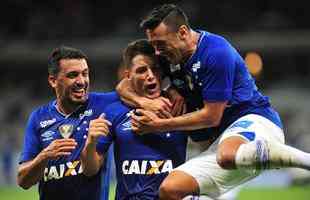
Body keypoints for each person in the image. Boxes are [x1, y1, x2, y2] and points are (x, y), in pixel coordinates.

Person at [118, 4, 310, 199]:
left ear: (182, 32)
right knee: (171, 190)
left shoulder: (216, 52)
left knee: (227, 155)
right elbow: (123, 87)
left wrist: (159, 125)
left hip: (255, 121)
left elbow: (212, 116)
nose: (157, 53)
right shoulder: (168, 56)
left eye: (160, 44)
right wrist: (147, 102)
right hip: (217, 144)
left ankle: (305, 161)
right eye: (154, 45)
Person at [81, 39, 189, 200]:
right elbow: (89, 169)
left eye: (155, 69)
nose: (150, 76)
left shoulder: (180, 104)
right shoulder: (114, 111)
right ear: (128, 75)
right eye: (142, 70)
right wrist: (90, 143)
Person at [17, 46, 118, 200]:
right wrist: (44, 156)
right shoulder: (38, 118)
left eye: (85, 74)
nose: (81, 81)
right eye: (73, 75)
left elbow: (127, 88)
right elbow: (23, 181)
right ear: (53, 80)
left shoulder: (102, 104)